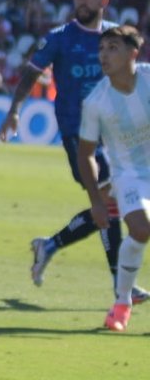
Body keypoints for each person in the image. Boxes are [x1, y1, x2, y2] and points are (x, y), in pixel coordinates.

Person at [0, 0, 148, 303]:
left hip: (117, 132)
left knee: (112, 205)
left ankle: (50, 245)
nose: (82, 1)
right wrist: (14, 110)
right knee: (111, 201)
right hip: (77, 132)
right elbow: (31, 73)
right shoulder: (60, 38)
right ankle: (119, 286)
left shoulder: (113, 39)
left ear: (103, 2)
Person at [76, 25, 150, 331]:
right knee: (141, 228)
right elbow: (85, 154)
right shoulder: (96, 102)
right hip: (129, 174)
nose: (104, 55)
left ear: (133, 53)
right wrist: (96, 201)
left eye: (113, 48)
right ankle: (122, 303)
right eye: (102, 49)